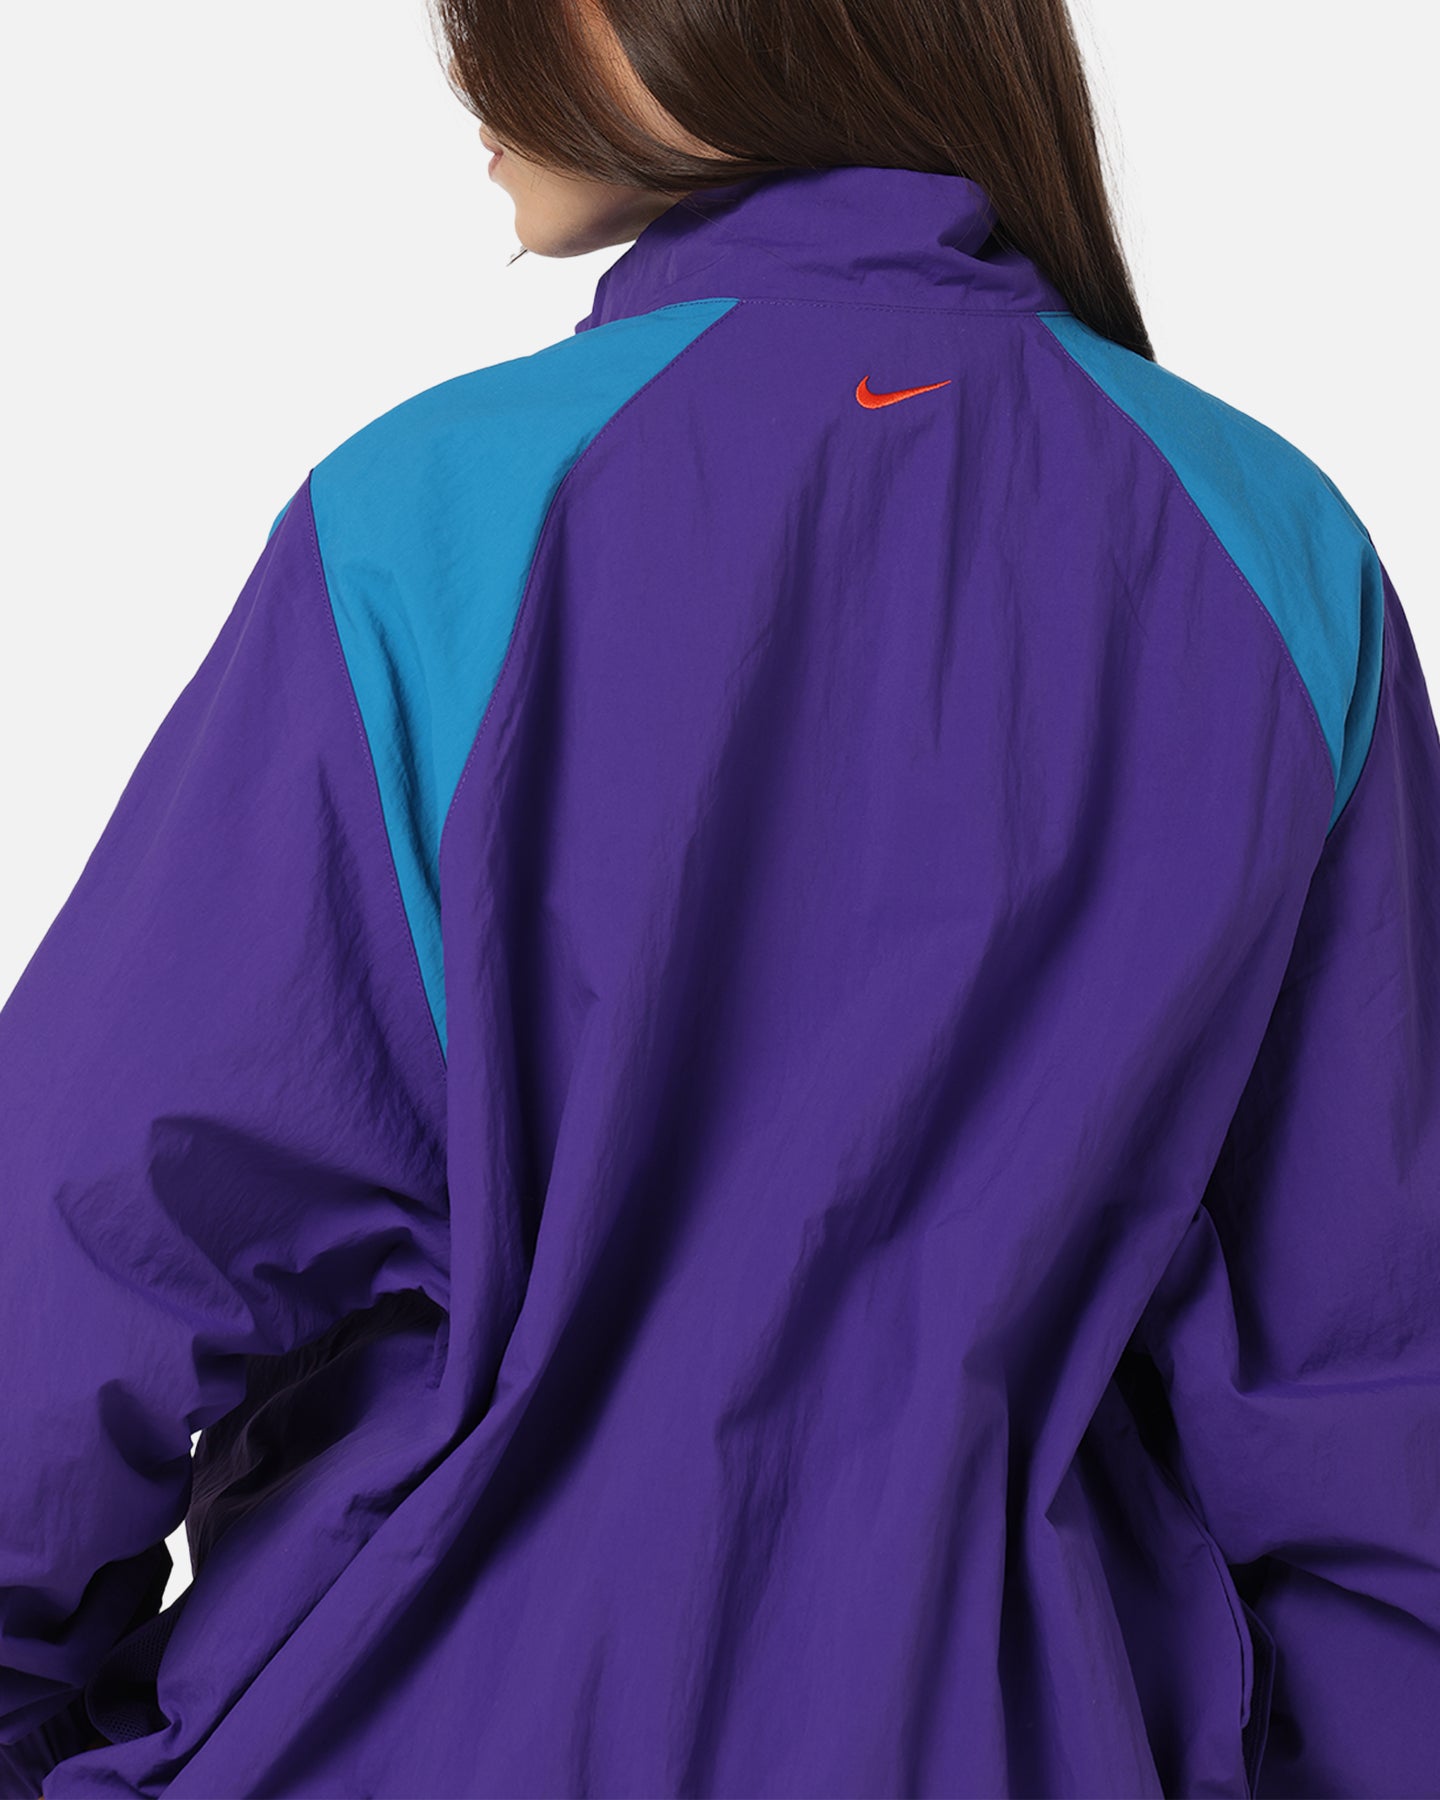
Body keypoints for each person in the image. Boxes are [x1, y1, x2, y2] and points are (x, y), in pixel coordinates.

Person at [5, 0, 1437, 1795]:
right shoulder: (1277, 557)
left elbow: (89, 1247)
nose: (469, 51)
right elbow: (1375, 1403)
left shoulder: (438, 523)